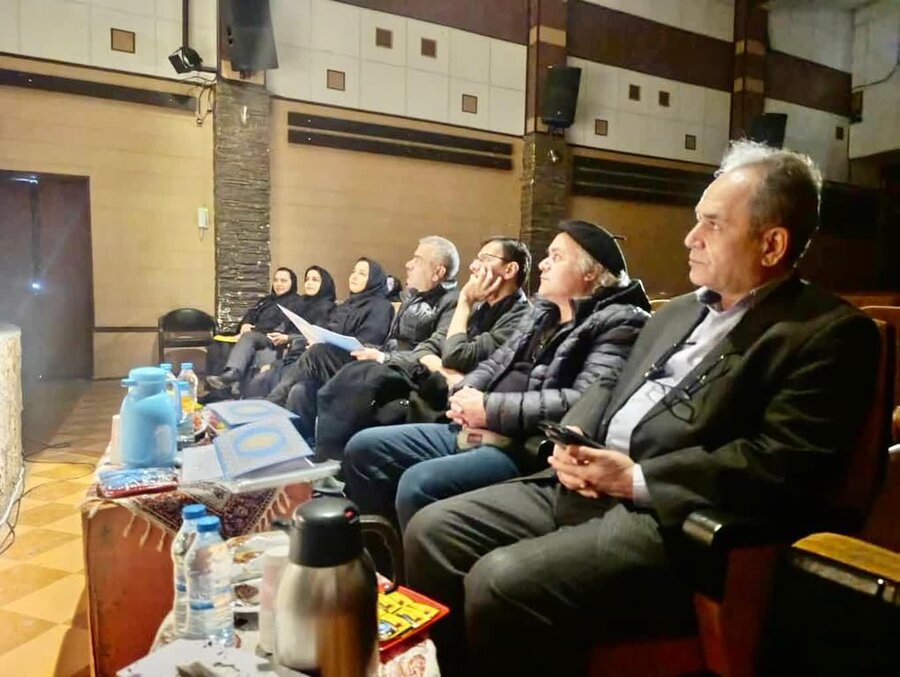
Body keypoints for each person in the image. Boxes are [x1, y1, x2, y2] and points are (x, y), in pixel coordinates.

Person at [403, 141, 881, 676]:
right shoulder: (676, 312)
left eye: (712, 225)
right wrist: (572, 440)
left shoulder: (829, 334)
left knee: (500, 580)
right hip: (587, 483)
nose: (690, 238)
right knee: (433, 530)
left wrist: (634, 479)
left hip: (671, 519)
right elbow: (610, 386)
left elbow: (780, 465)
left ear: (771, 244)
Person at [343, 222, 651, 529]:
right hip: (480, 424)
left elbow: (585, 400)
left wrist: (488, 408)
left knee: (418, 483)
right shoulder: (543, 313)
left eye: (556, 257)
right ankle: (385, 546)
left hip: (525, 446)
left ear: (590, 272)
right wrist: (464, 393)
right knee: (364, 448)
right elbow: (495, 363)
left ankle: (415, 555)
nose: (543, 264)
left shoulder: (619, 322)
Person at [269, 236, 460, 437]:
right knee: (302, 389)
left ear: (438, 272)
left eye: (417, 260)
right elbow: (388, 343)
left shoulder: (452, 303)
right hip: (386, 363)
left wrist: (382, 356)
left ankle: (268, 410)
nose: (408, 264)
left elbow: (432, 351)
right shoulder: (411, 299)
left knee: (319, 353)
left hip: (405, 374)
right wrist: (372, 351)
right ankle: (294, 443)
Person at [258, 258, 395, 400]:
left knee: (316, 352)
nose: (354, 276)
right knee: (301, 390)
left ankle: (273, 402)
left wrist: (326, 345)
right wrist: (316, 339)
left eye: (362, 273)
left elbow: (369, 341)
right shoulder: (347, 305)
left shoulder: (381, 306)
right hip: (330, 358)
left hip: (356, 362)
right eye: (353, 272)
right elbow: (329, 330)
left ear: (373, 279)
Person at [416, 236, 532, 386]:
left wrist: (464, 301)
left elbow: (455, 357)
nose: (473, 266)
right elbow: (424, 348)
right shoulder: (479, 307)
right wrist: (445, 373)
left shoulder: (523, 318)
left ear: (509, 270)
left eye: (484, 259)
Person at [206, 266, 335, 392]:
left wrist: (286, 337)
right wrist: (245, 324)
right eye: (307, 279)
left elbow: (318, 335)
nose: (309, 283)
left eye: (315, 280)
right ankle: (227, 381)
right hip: (277, 337)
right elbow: (253, 313)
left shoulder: (321, 306)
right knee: (222, 342)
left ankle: (233, 379)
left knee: (251, 340)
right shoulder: (289, 301)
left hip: (293, 345)